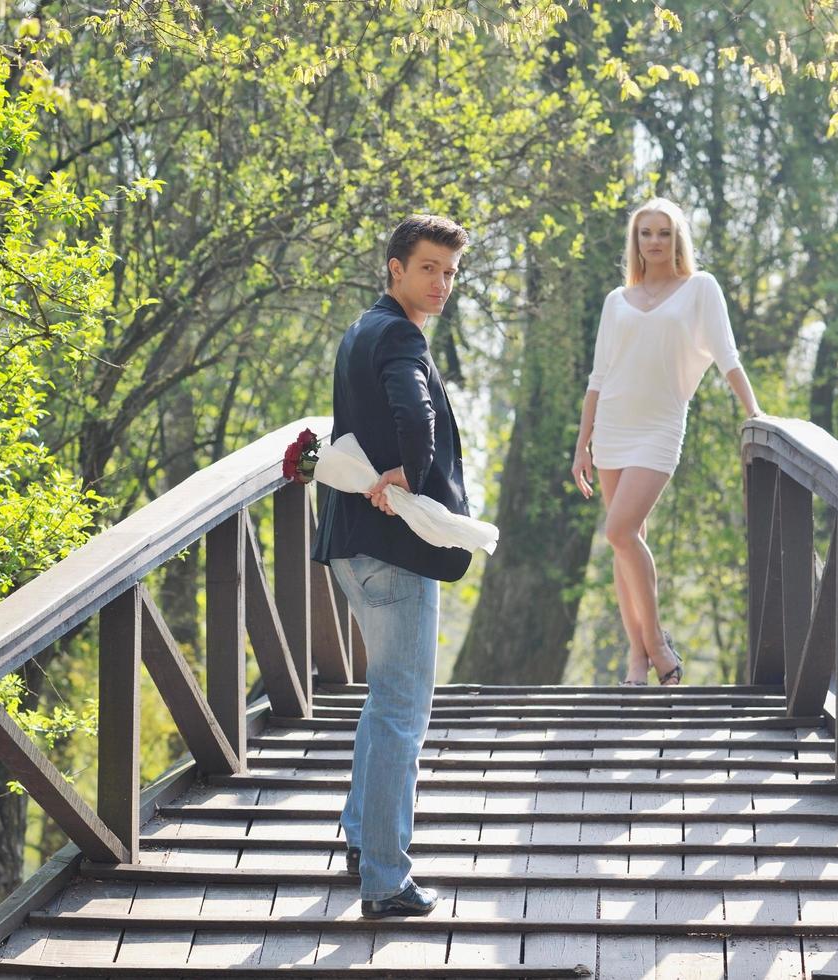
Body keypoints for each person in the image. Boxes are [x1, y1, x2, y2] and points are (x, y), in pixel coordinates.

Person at [312, 214, 474, 917]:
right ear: (395, 269)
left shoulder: (359, 331)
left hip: (350, 548)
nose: (440, 282)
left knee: (385, 705)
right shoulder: (402, 336)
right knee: (403, 714)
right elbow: (414, 413)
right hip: (392, 549)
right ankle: (385, 877)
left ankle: (360, 837)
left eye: (450, 271)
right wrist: (406, 473)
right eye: (428, 268)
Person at [571, 197, 762, 686]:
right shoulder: (617, 300)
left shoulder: (700, 288)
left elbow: (727, 355)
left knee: (619, 531)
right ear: (635, 241)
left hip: (659, 427)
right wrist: (582, 445)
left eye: (663, 233)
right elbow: (598, 376)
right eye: (645, 233)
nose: (654, 241)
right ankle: (638, 660)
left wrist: (756, 415)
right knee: (624, 541)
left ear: (677, 239)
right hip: (612, 426)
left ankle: (656, 642)